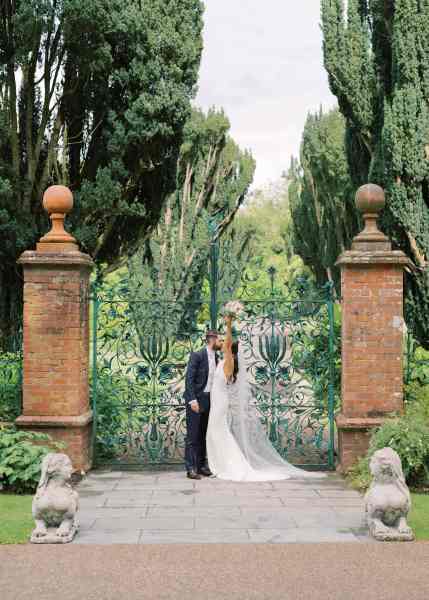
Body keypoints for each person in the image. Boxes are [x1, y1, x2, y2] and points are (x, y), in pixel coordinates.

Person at [206, 315, 324, 481]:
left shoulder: (228, 363)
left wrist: (229, 323)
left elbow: (227, 344)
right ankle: (219, 464)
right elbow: (226, 346)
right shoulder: (226, 362)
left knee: (217, 433)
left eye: (226, 345)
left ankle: (226, 465)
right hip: (218, 402)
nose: (224, 344)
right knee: (215, 433)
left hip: (219, 404)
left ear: (229, 351)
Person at [183, 330, 223, 480]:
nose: (221, 342)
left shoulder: (217, 358)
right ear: (211, 339)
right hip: (196, 400)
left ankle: (201, 466)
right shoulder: (198, 355)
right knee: (192, 436)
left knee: (204, 435)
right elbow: (189, 379)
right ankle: (191, 468)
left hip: (209, 400)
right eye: (219, 339)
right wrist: (192, 400)